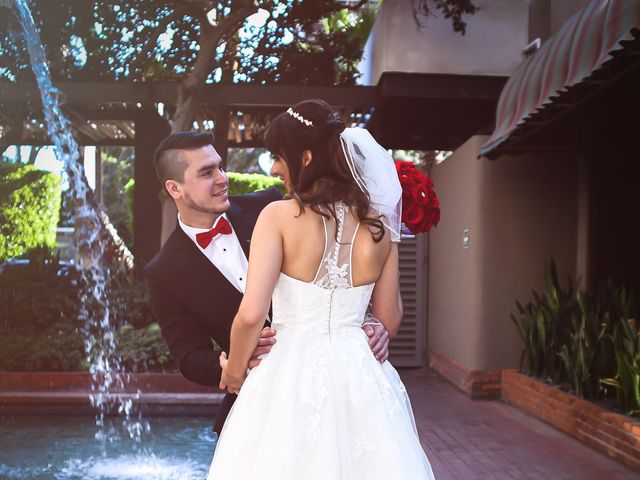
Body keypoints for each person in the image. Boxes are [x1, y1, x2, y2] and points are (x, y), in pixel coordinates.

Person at [208, 100, 435, 479]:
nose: (275, 168)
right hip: (361, 376)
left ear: (307, 156)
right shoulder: (379, 222)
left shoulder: (279, 217)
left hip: (289, 375)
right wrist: (375, 329)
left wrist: (233, 372)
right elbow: (390, 317)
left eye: (278, 157)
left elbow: (250, 315)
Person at [144, 131, 392, 435]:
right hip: (261, 400)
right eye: (207, 173)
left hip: (336, 385)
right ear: (175, 188)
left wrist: (366, 319)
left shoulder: (271, 206)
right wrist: (232, 364)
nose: (223, 178)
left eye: (220, 167)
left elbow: (338, 259)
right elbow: (189, 356)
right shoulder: (164, 271)